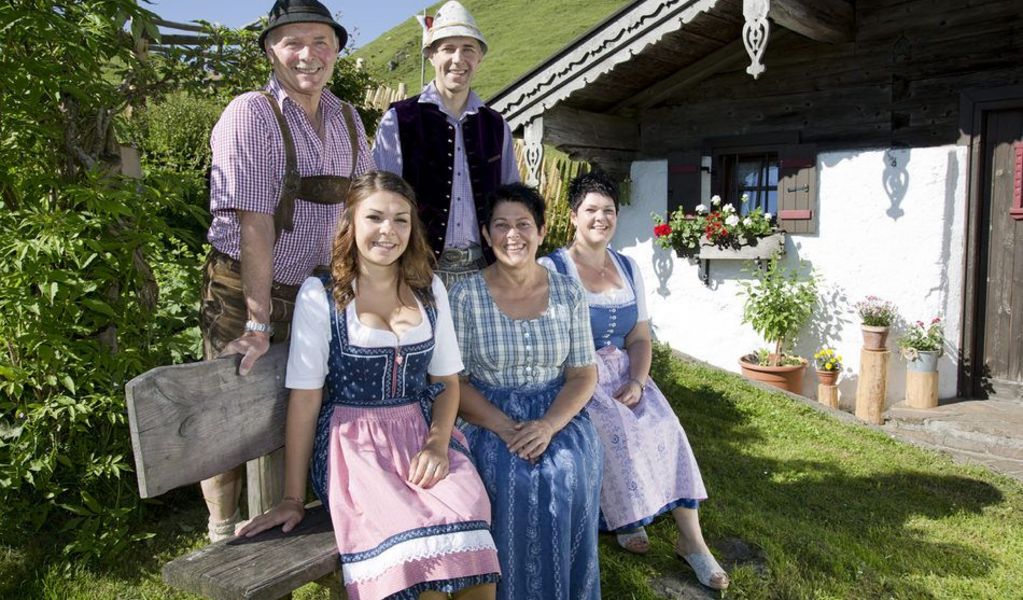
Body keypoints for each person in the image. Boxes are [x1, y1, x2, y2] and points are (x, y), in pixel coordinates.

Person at [238, 171, 500, 600]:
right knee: (416, 555)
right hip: (354, 447)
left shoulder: (430, 289)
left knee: (471, 517)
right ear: (351, 223)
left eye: (400, 220)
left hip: (422, 437)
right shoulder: (322, 294)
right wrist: (291, 496)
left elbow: (447, 382)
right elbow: (305, 400)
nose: (388, 231)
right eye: (375, 217)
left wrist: (437, 444)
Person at [199, 0, 374, 541]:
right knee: (229, 420)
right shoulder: (251, 113)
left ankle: (301, 516)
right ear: (270, 50)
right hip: (243, 290)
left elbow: (362, 213)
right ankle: (221, 530)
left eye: (321, 42)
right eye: (292, 41)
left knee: (310, 407)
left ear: (338, 50)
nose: (308, 55)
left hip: (319, 293)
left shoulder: (348, 119)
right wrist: (256, 321)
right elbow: (254, 222)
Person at [538, 171, 729, 591]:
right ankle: (626, 517)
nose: (600, 218)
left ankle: (691, 541)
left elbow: (639, 337)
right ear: (573, 216)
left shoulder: (627, 267)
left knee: (667, 428)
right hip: (576, 377)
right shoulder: (551, 268)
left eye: (608, 211)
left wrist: (639, 381)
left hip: (625, 371)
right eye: (590, 210)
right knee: (619, 431)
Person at [449, 183, 603, 600]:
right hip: (486, 415)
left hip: (557, 413)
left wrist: (548, 426)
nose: (512, 235)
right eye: (501, 225)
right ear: (486, 233)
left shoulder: (568, 292)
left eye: (523, 224)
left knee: (567, 474)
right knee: (504, 477)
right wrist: (505, 427)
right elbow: (453, 383)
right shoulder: (463, 295)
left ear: (541, 230)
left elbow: (583, 375)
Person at [373, 0, 519, 287]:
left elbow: (512, 203)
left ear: (480, 58)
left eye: (468, 49)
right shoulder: (399, 120)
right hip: (418, 273)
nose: (458, 59)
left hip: (485, 273)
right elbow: (380, 202)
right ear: (431, 55)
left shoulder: (496, 126)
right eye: (448, 49)